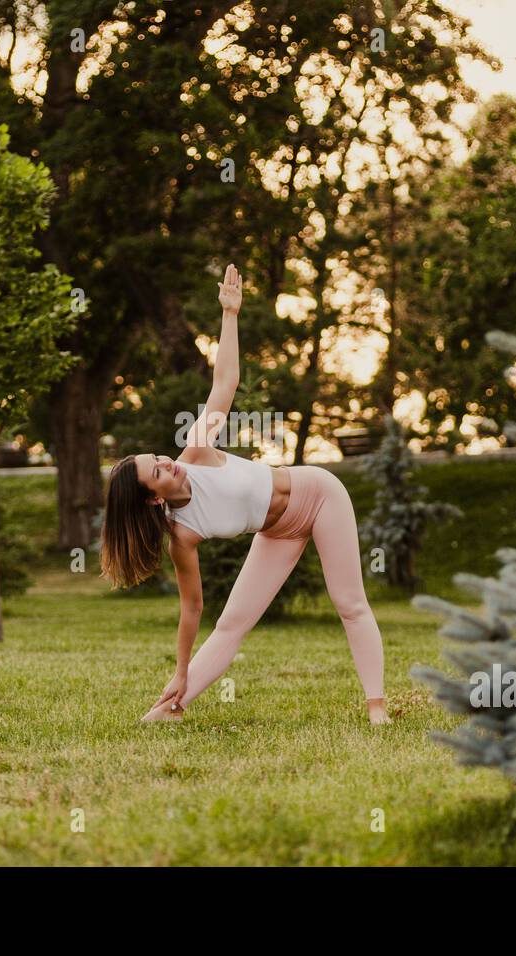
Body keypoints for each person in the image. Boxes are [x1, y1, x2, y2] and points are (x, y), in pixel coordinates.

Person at [99, 263, 390, 725]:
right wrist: (179, 671)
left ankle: (377, 708)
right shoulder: (183, 536)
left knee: (349, 603)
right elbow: (192, 608)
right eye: (157, 470)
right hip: (278, 532)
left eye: (157, 456)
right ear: (153, 498)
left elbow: (225, 385)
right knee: (232, 625)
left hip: (319, 496)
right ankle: (170, 710)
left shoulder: (195, 449)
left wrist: (229, 314)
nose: (166, 460)